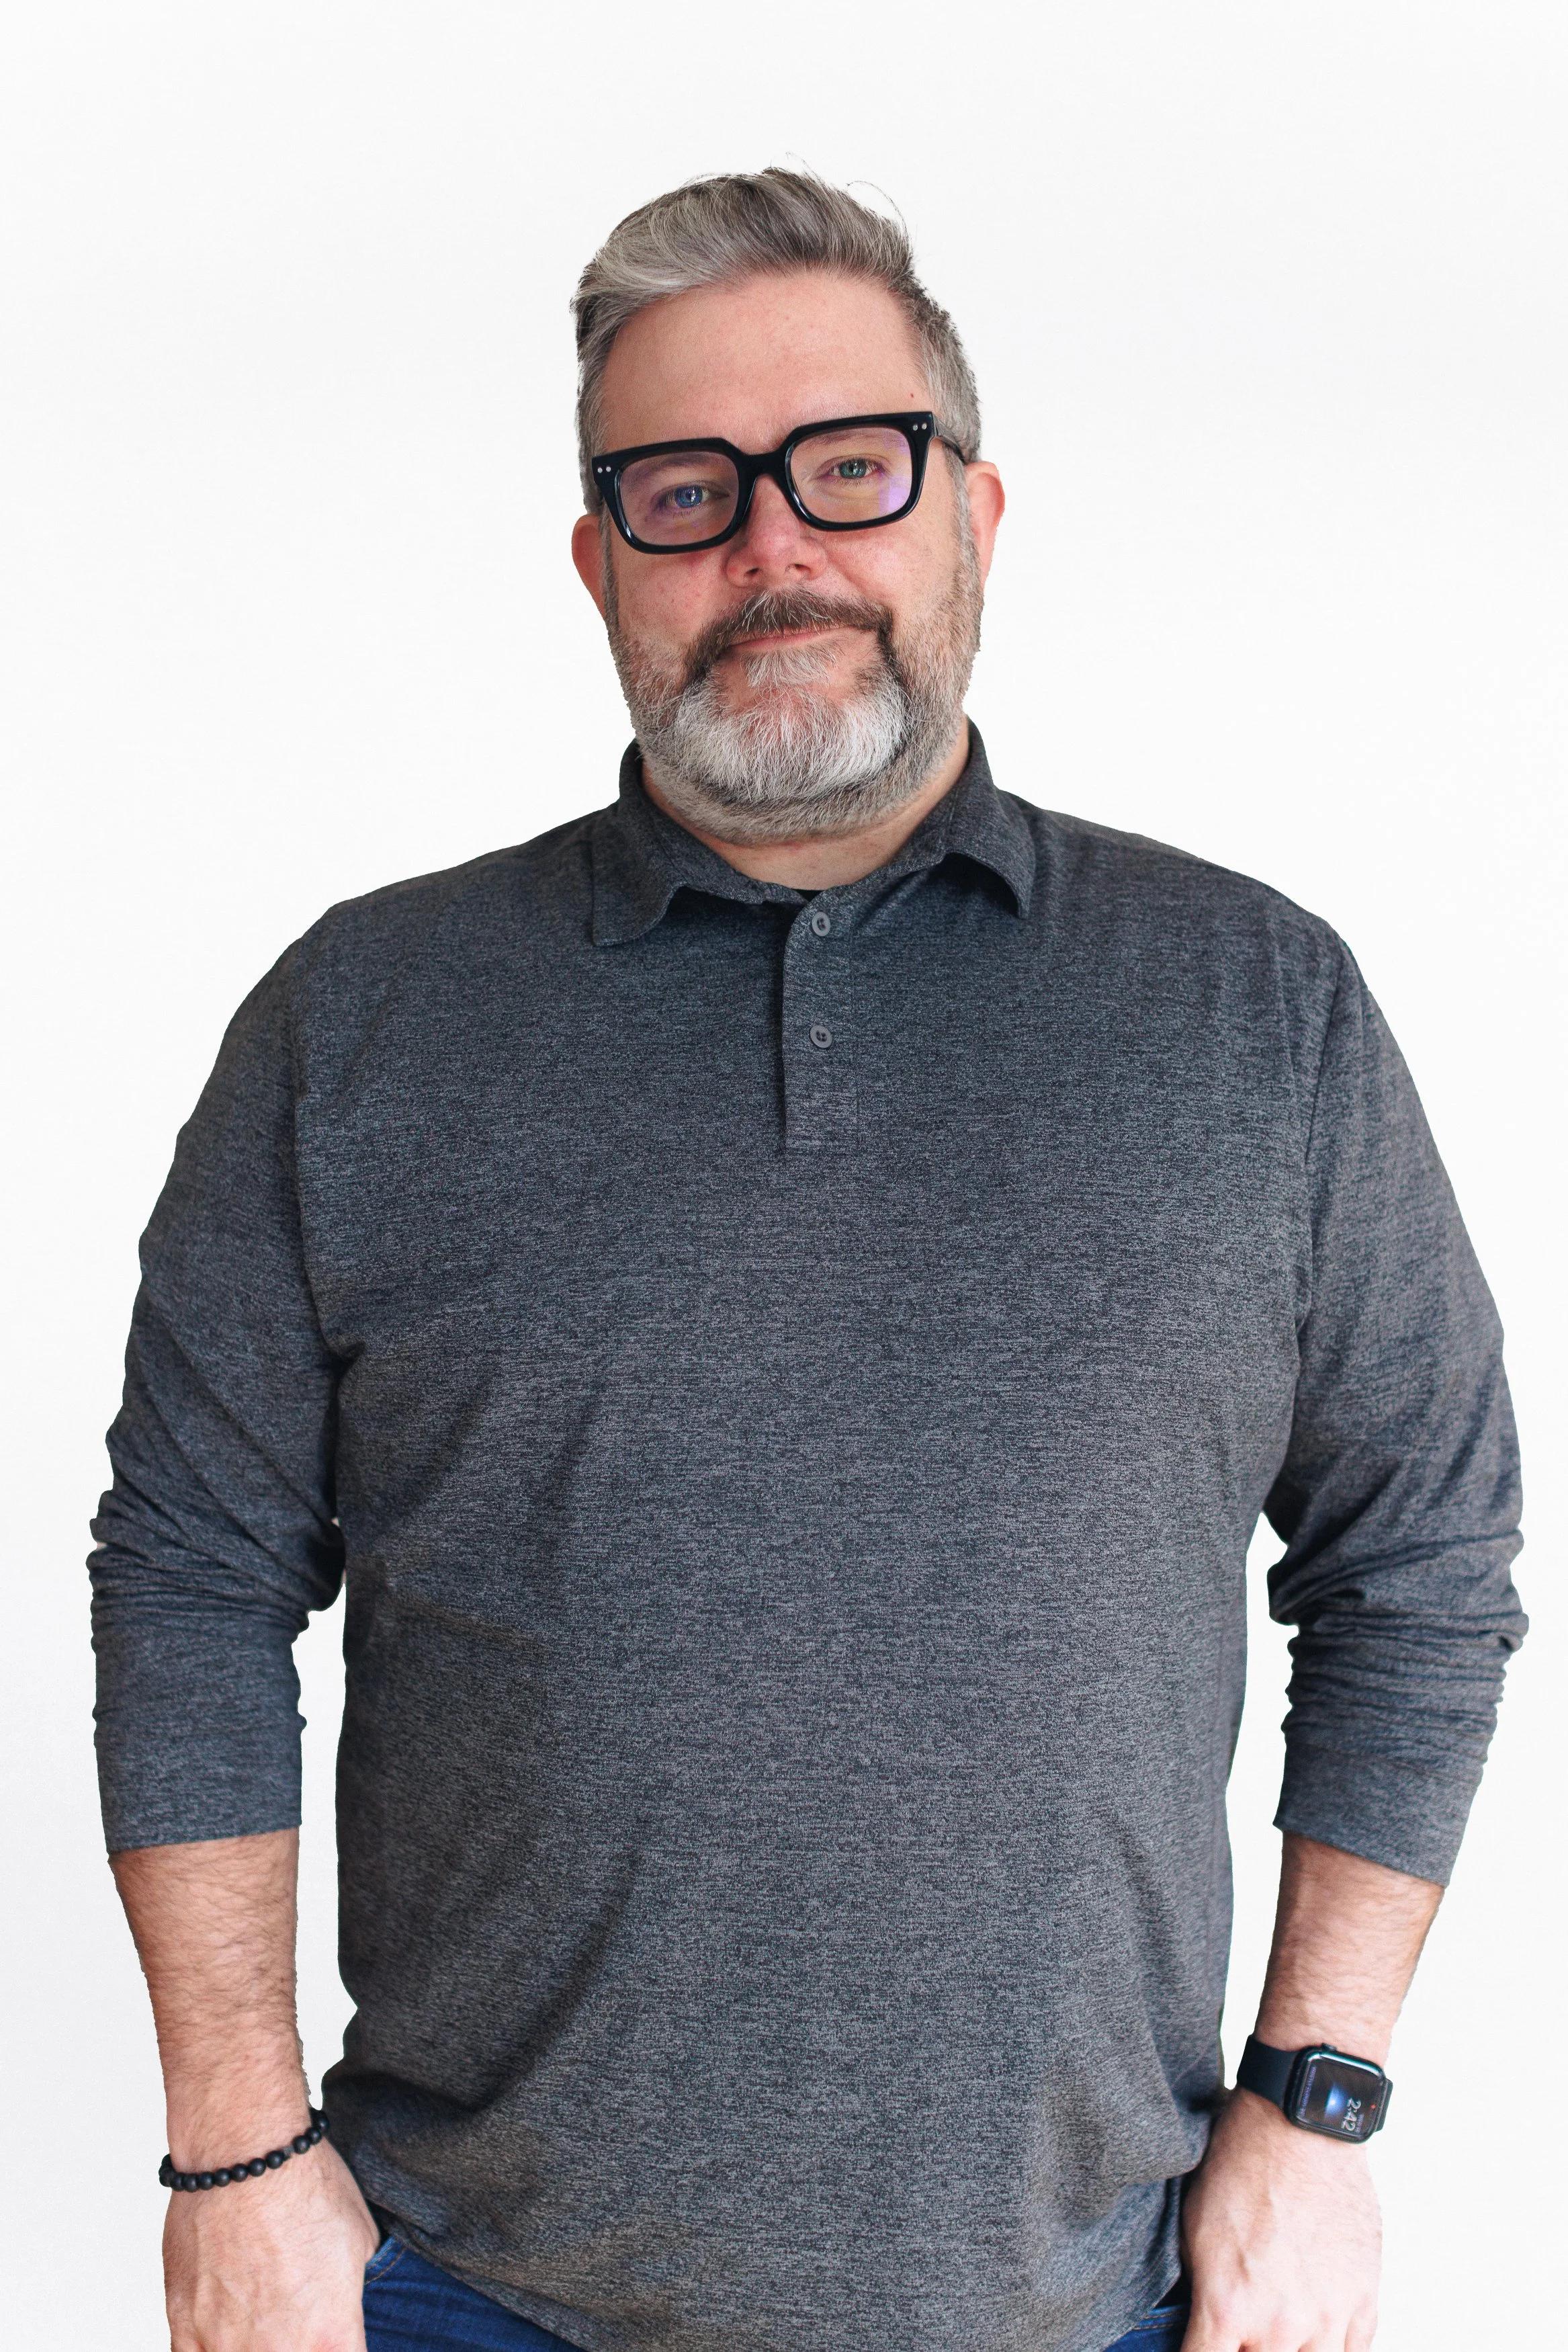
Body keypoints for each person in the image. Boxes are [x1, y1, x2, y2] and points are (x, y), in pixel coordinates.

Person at [93, 169, 1525, 2352]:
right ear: (598, 566)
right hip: (454, 2292)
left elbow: (1417, 1556)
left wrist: (1316, 2113)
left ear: (971, 510)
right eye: (684, 492)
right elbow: (190, 1577)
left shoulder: (1256, 1009)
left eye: (846, 469)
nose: (774, 549)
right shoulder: (359, 1021)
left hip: (1106, 2298)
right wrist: (229, 2143)